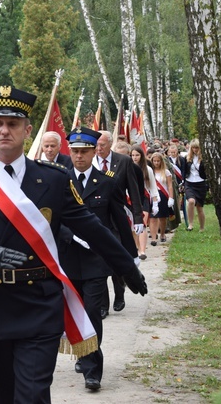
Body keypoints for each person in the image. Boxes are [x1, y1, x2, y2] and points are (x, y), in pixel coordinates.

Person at [0, 87, 147, 402]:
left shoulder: (53, 180)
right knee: (4, 394)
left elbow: (91, 226)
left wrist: (126, 266)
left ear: (27, 130)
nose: (5, 130)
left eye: (13, 123)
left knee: (33, 394)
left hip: (40, 302)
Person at [59, 127, 138, 392]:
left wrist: (130, 259)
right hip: (68, 260)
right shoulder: (59, 180)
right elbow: (50, 219)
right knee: (72, 312)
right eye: (75, 152)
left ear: (94, 152)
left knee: (92, 313)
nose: (79, 156)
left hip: (95, 261)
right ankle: (82, 354)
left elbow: (118, 223)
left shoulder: (106, 182)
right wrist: (70, 235)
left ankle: (93, 369)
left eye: (84, 152)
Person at [95, 131, 144, 317]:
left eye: (103, 145)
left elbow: (134, 190)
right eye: (96, 145)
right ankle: (102, 304)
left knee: (115, 258)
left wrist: (138, 218)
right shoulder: (90, 160)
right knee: (99, 261)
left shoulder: (123, 161)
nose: (99, 149)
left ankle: (119, 293)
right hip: (97, 218)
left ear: (110, 144)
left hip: (117, 217)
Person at [149, 152, 174, 244]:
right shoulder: (149, 171)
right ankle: (153, 237)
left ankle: (162, 233)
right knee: (153, 217)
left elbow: (170, 186)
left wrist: (171, 198)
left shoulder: (166, 172)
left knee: (162, 217)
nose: (156, 163)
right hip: (153, 194)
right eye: (154, 161)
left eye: (158, 161)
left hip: (163, 194)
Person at [184, 139, 208, 231]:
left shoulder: (204, 158)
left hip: (201, 183)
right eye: (193, 147)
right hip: (189, 182)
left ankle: (202, 227)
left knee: (199, 207)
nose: (195, 149)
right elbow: (184, 171)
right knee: (190, 201)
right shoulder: (187, 158)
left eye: (197, 147)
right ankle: (190, 224)